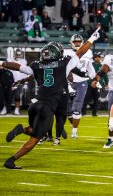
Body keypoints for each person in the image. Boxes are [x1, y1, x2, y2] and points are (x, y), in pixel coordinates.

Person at [1, 29, 100, 169]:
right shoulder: (64, 64)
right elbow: (81, 52)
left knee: (35, 130)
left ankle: (21, 129)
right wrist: (91, 39)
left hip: (34, 105)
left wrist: (2, 63)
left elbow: (17, 67)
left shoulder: (36, 66)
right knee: (35, 138)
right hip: (47, 107)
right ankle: (11, 160)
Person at [64, 34, 96, 139]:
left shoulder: (88, 52)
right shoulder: (66, 53)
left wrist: (94, 76)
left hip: (82, 82)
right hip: (69, 82)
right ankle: (73, 126)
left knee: (77, 106)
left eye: (79, 42)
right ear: (71, 43)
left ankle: (74, 132)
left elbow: (89, 66)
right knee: (67, 109)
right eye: (75, 42)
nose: (77, 44)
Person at [82, 52, 108, 116]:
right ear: (94, 58)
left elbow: (104, 75)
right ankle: (83, 112)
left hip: (98, 84)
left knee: (97, 99)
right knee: (86, 98)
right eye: (96, 57)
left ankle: (94, 113)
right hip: (89, 83)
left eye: (99, 57)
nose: (98, 58)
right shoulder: (90, 64)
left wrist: (106, 83)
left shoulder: (102, 65)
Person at [7, 49, 28, 115]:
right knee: (8, 96)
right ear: (15, 54)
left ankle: (16, 109)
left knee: (17, 96)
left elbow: (18, 65)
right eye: (17, 54)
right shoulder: (11, 60)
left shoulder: (23, 61)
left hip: (19, 82)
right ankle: (7, 109)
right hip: (11, 81)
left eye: (19, 54)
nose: (18, 56)